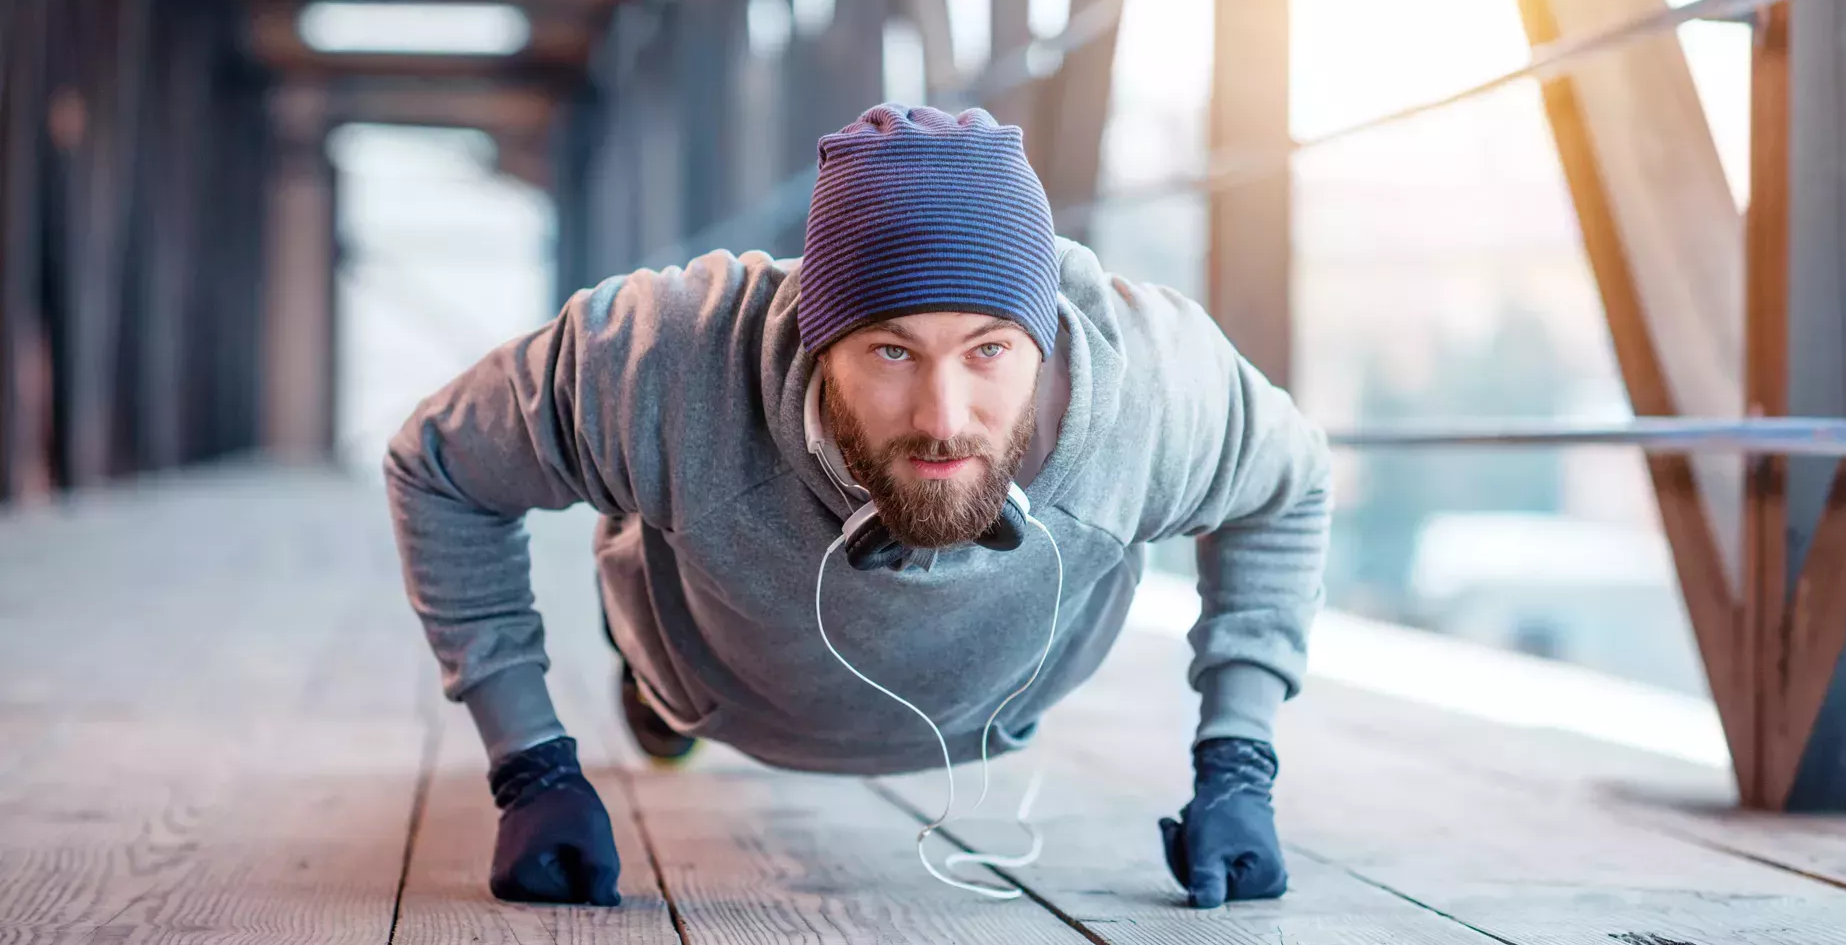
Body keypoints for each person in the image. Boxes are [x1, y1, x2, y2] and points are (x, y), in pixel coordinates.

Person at [383, 103, 1332, 911]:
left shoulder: (1157, 390)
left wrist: (1238, 760)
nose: (942, 416)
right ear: (814, 336)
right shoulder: (662, 359)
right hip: (710, 675)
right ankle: (653, 688)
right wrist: (530, 763)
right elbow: (437, 465)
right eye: (890, 352)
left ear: (1043, 341)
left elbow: (1288, 489)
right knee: (659, 553)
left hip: (998, 707)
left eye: (990, 350)